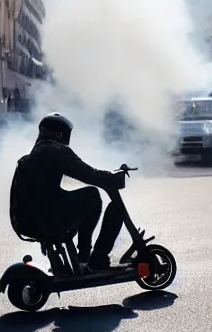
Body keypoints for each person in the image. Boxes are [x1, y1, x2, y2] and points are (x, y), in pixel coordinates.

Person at [10, 112, 126, 271]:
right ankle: (88, 258)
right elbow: (87, 173)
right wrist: (110, 177)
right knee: (92, 196)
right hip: (49, 219)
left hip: (36, 219)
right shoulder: (55, 150)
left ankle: (84, 258)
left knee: (78, 197)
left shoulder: (36, 152)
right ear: (58, 134)